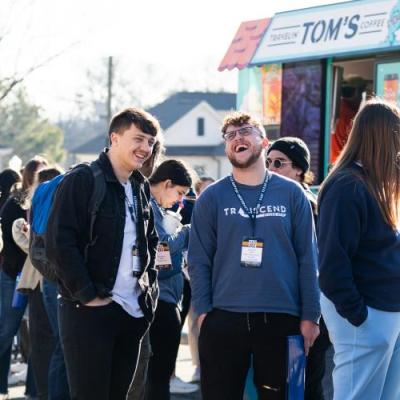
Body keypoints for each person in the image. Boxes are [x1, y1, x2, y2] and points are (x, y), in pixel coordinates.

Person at [188, 111, 320, 400]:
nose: (238, 138)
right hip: (223, 318)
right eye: (230, 135)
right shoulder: (211, 198)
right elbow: (198, 259)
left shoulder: (292, 194)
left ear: (263, 141)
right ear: (226, 148)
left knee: (284, 396)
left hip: (282, 317)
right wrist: (203, 314)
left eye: (245, 131)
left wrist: (311, 315)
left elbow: (308, 258)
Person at [46, 107, 161, 400]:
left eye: (150, 141)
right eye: (138, 139)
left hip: (133, 312)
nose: (145, 148)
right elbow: (60, 243)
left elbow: (149, 241)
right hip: (89, 311)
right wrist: (88, 295)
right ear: (115, 137)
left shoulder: (140, 186)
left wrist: (149, 298)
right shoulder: (83, 179)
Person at [318, 99, 400, 400]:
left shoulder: (373, 185)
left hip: (384, 315)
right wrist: (360, 318)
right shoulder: (347, 186)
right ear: (385, 138)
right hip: (366, 318)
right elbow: (332, 266)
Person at [266, 137, 333, 400]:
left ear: (299, 170)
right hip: (279, 307)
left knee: (302, 384)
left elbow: (315, 261)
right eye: (268, 162)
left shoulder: (309, 203)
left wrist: (311, 315)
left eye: (279, 163)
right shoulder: (266, 201)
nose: (271, 168)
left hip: (306, 310)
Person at [145, 159, 194, 400]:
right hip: (159, 303)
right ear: (167, 184)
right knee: (158, 379)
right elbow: (161, 256)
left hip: (164, 301)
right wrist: (185, 232)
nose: (180, 201)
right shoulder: (150, 208)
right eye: (180, 193)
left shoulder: (155, 208)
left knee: (157, 378)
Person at [0, 157, 48, 400]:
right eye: (39, 174)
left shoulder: (45, 200)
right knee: (7, 331)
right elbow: (11, 242)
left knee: (38, 335)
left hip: (40, 276)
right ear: (29, 175)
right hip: (14, 275)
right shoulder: (15, 203)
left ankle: (34, 390)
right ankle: (1, 387)